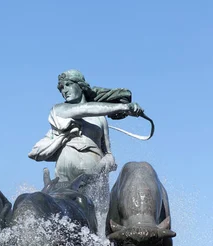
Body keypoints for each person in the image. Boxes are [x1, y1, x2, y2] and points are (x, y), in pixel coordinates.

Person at [28, 70, 143, 220]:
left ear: (80, 86)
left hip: (96, 178)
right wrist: (123, 107)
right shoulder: (59, 109)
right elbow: (87, 108)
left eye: (68, 85)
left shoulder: (101, 119)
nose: (64, 91)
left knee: (99, 220)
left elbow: (107, 151)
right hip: (65, 180)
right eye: (62, 88)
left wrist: (108, 161)